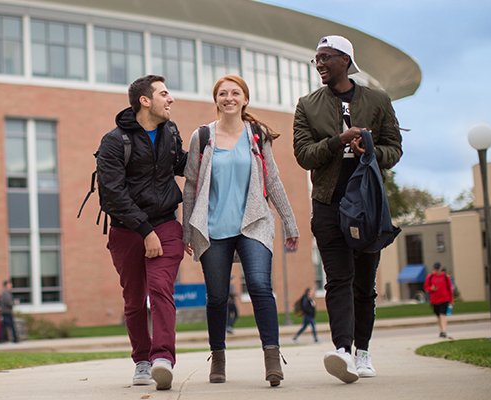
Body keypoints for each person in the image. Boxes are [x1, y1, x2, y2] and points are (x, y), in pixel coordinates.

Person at [293, 35, 402, 383]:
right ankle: (342, 350)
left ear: (345, 59)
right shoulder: (307, 105)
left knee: (364, 285)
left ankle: (363, 352)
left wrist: (369, 149)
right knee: (338, 278)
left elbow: (394, 149)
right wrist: (338, 140)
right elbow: (303, 155)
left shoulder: (377, 99)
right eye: (317, 59)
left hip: (368, 203)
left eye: (326, 58)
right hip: (327, 203)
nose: (320, 64)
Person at [182, 74, 299, 387]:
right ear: (216, 99)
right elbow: (191, 186)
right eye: (223, 93)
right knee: (218, 297)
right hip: (214, 228)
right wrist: (186, 231)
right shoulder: (202, 136)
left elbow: (272, 179)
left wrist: (289, 221)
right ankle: (218, 357)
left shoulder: (257, 135)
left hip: (254, 222)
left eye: (235, 93)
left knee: (260, 286)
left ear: (245, 99)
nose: (229, 98)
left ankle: (272, 358)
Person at [96, 74, 187, 391]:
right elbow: (111, 194)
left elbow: (181, 165)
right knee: (134, 301)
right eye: (164, 93)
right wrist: (144, 230)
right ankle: (142, 361)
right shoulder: (113, 141)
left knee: (161, 288)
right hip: (127, 230)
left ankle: (163, 358)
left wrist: (217, 147)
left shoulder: (170, 132)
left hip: (165, 222)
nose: (170, 98)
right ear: (145, 101)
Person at [424, 262, 454, 339]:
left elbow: (449, 289)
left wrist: (451, 300)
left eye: (438, 269)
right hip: (434, 300)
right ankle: (441, 331)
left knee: (442, 315)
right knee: (438, 316)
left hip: (444, 299)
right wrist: (431, 288)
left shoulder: (445, 276)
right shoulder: (430, 277)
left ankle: (444, 331)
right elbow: (426, 288)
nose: (436, 270)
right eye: (435, 269)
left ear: (440, 269)